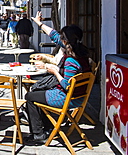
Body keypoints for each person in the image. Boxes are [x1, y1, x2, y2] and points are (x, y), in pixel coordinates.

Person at [25, 11, 91, 143]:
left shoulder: (71, 60)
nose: (59, 39)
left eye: (62, 38)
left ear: (66, 41)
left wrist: (54, 71)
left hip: (68, 97)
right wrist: (39, 23)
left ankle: (38, 134)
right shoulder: (81, 51)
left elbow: (67, 85)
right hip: (79, 95)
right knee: (37, 92)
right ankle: (49, 127)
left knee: (30, 96)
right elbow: (54, 35)